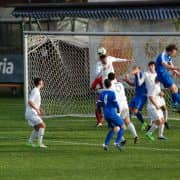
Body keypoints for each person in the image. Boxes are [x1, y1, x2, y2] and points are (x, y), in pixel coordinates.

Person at [92, 47, 131, 127]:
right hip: (106, 83)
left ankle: (116, 118)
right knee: (105, 101)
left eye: (102, 54)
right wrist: (103, 69)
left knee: (114, 99)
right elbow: (97, 75)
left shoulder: (109, 58)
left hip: (113, 81)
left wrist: (126, 60)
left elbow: (117, 59)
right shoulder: (98, 64)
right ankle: (108, 119)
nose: (101, 56)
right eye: (100, 54)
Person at [137, 61, 169, 130]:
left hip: (159, 93)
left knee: (164, 108)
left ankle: (165, 122)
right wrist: (137, 74)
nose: (151, 67)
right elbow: (139, 83)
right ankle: (150, 125)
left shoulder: (157, 73)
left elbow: (161, 81)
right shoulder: (146, 74)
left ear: (155, 66)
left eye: (152, 65)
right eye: (150, 66)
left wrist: (162, 91)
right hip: (151, 94)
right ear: (148, 67)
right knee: (152, 109)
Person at [108, 72, 138, 144]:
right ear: (115, 77)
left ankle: (122, 140)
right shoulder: (120, 84)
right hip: (125, 105)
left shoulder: (110, 86)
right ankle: (135, 135)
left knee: (114, 124)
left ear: (108, 79)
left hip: (117, 107)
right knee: (127, 121)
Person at [97, 79, 125, 151]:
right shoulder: (112, 93)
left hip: (106, 114)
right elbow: (115, 103)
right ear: (110, 85)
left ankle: (105, 144)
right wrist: (118, 109)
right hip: (112, 113)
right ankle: (117, 142)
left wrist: (100, 112)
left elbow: (98, 104)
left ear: (104, 85)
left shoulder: (102, 93)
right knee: (123, 126)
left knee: (113, 128)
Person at [123, 65, 147, 130]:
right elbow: (133, 84)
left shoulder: (142, 74)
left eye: (135, 69)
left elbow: (136, 73)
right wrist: (127, 80)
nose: (134, 70)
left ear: (139, 69)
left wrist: (129, 74)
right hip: (137, 96)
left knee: (135, 111)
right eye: (133, 69)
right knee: (129, 109)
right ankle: (128, 123)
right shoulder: (136, 77)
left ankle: (144, 123)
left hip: (142, 96)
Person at [25, 78, 47, 148]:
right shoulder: (35, 91)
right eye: (42, 82)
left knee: (37, 128)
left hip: (30, 112)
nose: (43, 83)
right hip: (31, 113)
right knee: (43, 125)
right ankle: (39, 143)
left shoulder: (36, 91)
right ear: (40, 83)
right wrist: (37, 110)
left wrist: (40, 109)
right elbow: (30, 102)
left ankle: (29, 142)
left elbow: (34, 103)